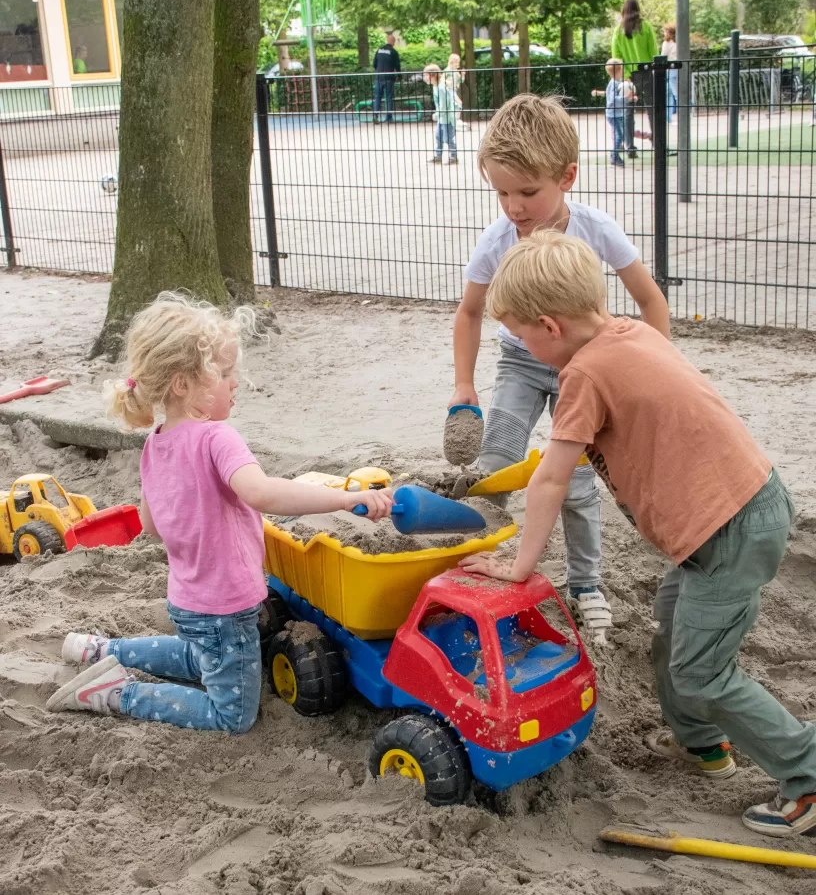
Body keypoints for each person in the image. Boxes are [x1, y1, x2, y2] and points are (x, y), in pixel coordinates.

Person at [461, 229, 816, 839]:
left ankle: (807, 774)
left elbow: (551, 480)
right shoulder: (632, 332)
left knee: (702, 671)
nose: (522, 348)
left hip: (728, 531)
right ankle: (702, 743)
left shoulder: (583, 375)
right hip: (731, 516)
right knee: (672, 634)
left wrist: (519, 566)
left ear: (549, 326)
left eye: (520, 336)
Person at [46, 293, 393, 731]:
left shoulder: (154, 441)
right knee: (232, 715)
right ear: (182, 384)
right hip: (225, 607)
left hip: (187, 600)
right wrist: (342, 499)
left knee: (198, 655)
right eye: (225, 373)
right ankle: (118, 693)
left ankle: (100, 650)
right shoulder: (216, 438)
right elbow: (262, 494)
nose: (235, 383)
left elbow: (152, 527)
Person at [449, 94, 669, 639]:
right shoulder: (498, 239)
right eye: (501, 192)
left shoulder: (594, 228)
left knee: (575, 479)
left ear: (567, 176)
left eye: (527, 192)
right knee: (495, 463)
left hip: (585, 368)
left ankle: (586, 584)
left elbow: (650, 299)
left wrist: (656, 366)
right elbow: (470, 311)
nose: (514, 207)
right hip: (521, 363)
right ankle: (475, 564)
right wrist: (463, 384)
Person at [611, 0, 657, 157]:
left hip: (628, 75)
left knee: (628, 111)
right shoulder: (646, 27)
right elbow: (653, 51)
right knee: (652, 108)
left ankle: (629, 146)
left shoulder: (619, 30)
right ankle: (657, 143)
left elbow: (616, 56)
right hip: (646, 71)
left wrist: (625, 75)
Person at [591, 58, 634, 167]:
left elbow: (610, 94)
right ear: (618, 71)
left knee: (620, 134)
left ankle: (615, 155)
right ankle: (614, 156)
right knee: (620, 135)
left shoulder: (617, 82)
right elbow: (613, 99)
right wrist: (626, 98)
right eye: (622, 69)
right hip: (613, 115)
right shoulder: (614, 83)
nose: (623, 71)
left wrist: (630, 97)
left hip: (618, 113)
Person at [423, 63, 458, 165]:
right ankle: (438, 156)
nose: (425, 78)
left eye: (426, 75)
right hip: (442, 118)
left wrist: (436, 115)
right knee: (438, 137)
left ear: (433, 75)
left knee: (448, 138)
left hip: (447, 118)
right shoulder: (436, 86)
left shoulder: (441, 88)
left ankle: (453, 156)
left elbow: (444, 105)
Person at [372, 34, 401, 123]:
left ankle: (375, 115)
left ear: (387, 40)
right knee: (389, 97)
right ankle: (389, 117)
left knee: (377, 97)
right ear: (393, 42)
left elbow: (374, 64)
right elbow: (397, 66)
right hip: (389, 77)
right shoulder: (393, 52)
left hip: (379, 77)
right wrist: (400, 76)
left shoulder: (379, 50)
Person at [662, 23, 678, 124]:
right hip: (676, 68)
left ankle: (668, 118)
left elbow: (663, 55)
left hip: (669, 68)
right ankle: (669, 118)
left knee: (671, 93)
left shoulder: (667, 43)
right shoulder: (678, 42)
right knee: (672, 92)